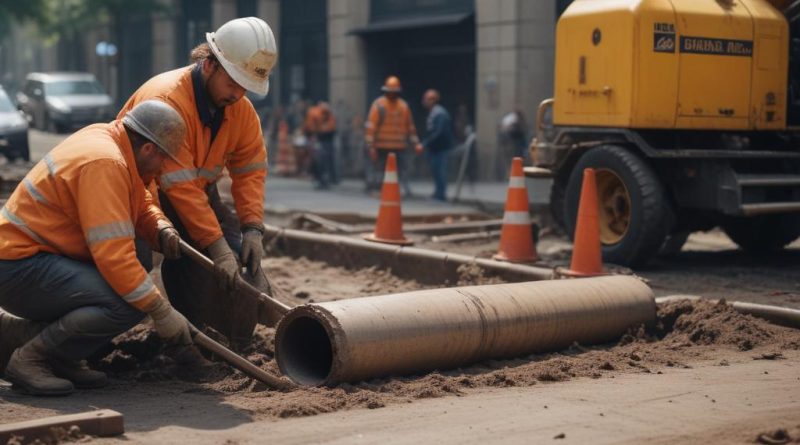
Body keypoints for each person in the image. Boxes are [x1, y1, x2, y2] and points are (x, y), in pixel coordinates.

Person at [0, 100, 190, 396]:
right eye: (165, 159)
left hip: (37, 254)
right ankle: (30, 358)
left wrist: (159, 227)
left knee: (136, 271)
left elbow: (138, 201)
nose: (164, 168)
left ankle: (62, 357)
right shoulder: (105, 163)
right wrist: (160, 310)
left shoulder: (113, 141)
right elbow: (115, 258)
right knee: (128, 303)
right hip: (16, 266)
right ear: (149, 149)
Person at [117, 17, 278, 348]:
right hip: (136, 191)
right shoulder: (168, 101)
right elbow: (178, 186)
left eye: (246, 86)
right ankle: (92, 340)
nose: (239, 94)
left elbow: (249, 172)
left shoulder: (241, 110)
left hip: (194, 193)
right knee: (132, 264)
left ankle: (228, 340)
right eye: (234, 82)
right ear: (209, 65)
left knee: (240, 260)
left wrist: (252, 229)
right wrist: (216, 247)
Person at [364, 75, 421, 196]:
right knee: (380, 169)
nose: (392, 94)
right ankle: (378, 189)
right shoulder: (379, 105)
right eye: (390, 92)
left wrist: (416, 142)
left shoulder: (403, 106)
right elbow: (371, 127)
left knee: (401, 169)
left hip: (399, 146)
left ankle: (402, 189)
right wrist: (371, 146)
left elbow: (410, 127)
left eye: (394, 92)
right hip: (381, 145)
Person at [420, 89, 455, 201]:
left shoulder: (440, 113)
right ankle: (437, 193)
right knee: (435, 170)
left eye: (427, 99)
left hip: (440, 148)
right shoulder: (433, 113)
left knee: (439, 170)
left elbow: (438, 132)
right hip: (435, 148)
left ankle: (441, 195)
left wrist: (425, 143)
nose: (425, 101)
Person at [304, 101, 337, 189]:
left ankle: (326, 179)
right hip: (318, 139)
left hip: (324, 140)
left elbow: (332, 129)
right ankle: (320, 178)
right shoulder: (315, 114)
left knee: (324, 160)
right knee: (318, 160)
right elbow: (310, 128)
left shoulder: (328, 117)